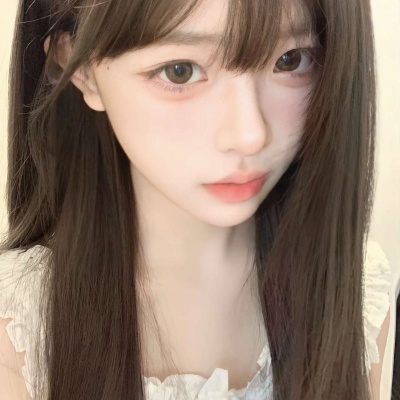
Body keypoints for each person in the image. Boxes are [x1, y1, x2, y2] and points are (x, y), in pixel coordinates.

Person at [0, 0, 393, 399]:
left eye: (290, 61)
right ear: (81, 68)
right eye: (180, 70)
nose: (250, 135)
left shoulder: (357, 289)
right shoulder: (18, 326)